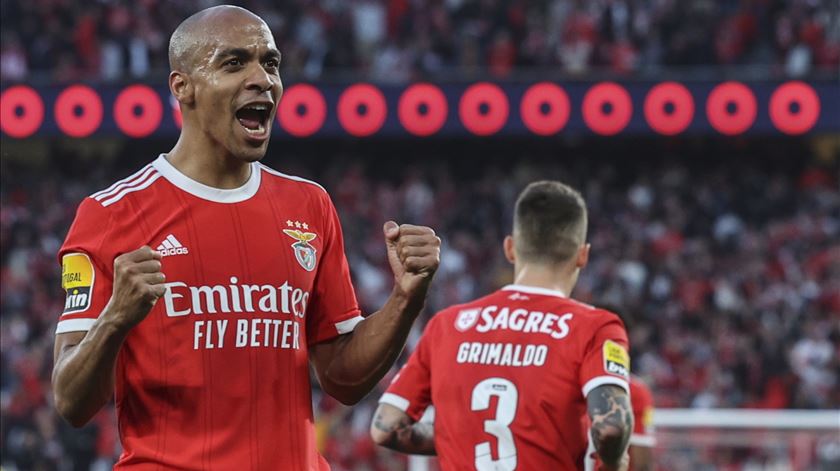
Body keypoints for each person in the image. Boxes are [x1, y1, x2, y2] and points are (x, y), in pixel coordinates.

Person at [51, 5, 440, 469]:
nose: (263, 79)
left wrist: (405, 300)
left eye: (270, 63)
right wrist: (115, 320)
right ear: (183, 87)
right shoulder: (111, 213)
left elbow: (342, 378)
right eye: (234, 63)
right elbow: (71, 402)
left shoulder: (309, 206)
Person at [370, 181, 633, 471]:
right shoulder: (596, 327)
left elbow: (385, 426)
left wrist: (462, 434)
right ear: (583, 255)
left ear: (510, 248)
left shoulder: (448, 325)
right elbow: (611, 428)